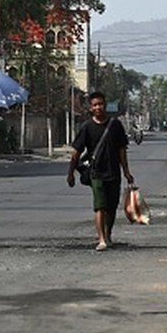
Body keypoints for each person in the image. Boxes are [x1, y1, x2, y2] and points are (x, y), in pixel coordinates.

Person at [67, 92, 135, 251]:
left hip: (114, 172)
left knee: (111, 207)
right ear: (91, 108)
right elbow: (76, 152)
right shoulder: (87, 127)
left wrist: (126, 171)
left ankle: (108, 233)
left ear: (105, 105)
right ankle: (102, 239)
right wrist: (71, 173)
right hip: (96, 173)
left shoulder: (115, 125)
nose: (98, 107)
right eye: (95, 105)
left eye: (101, 104)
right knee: (100, 207)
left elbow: (121, 150)